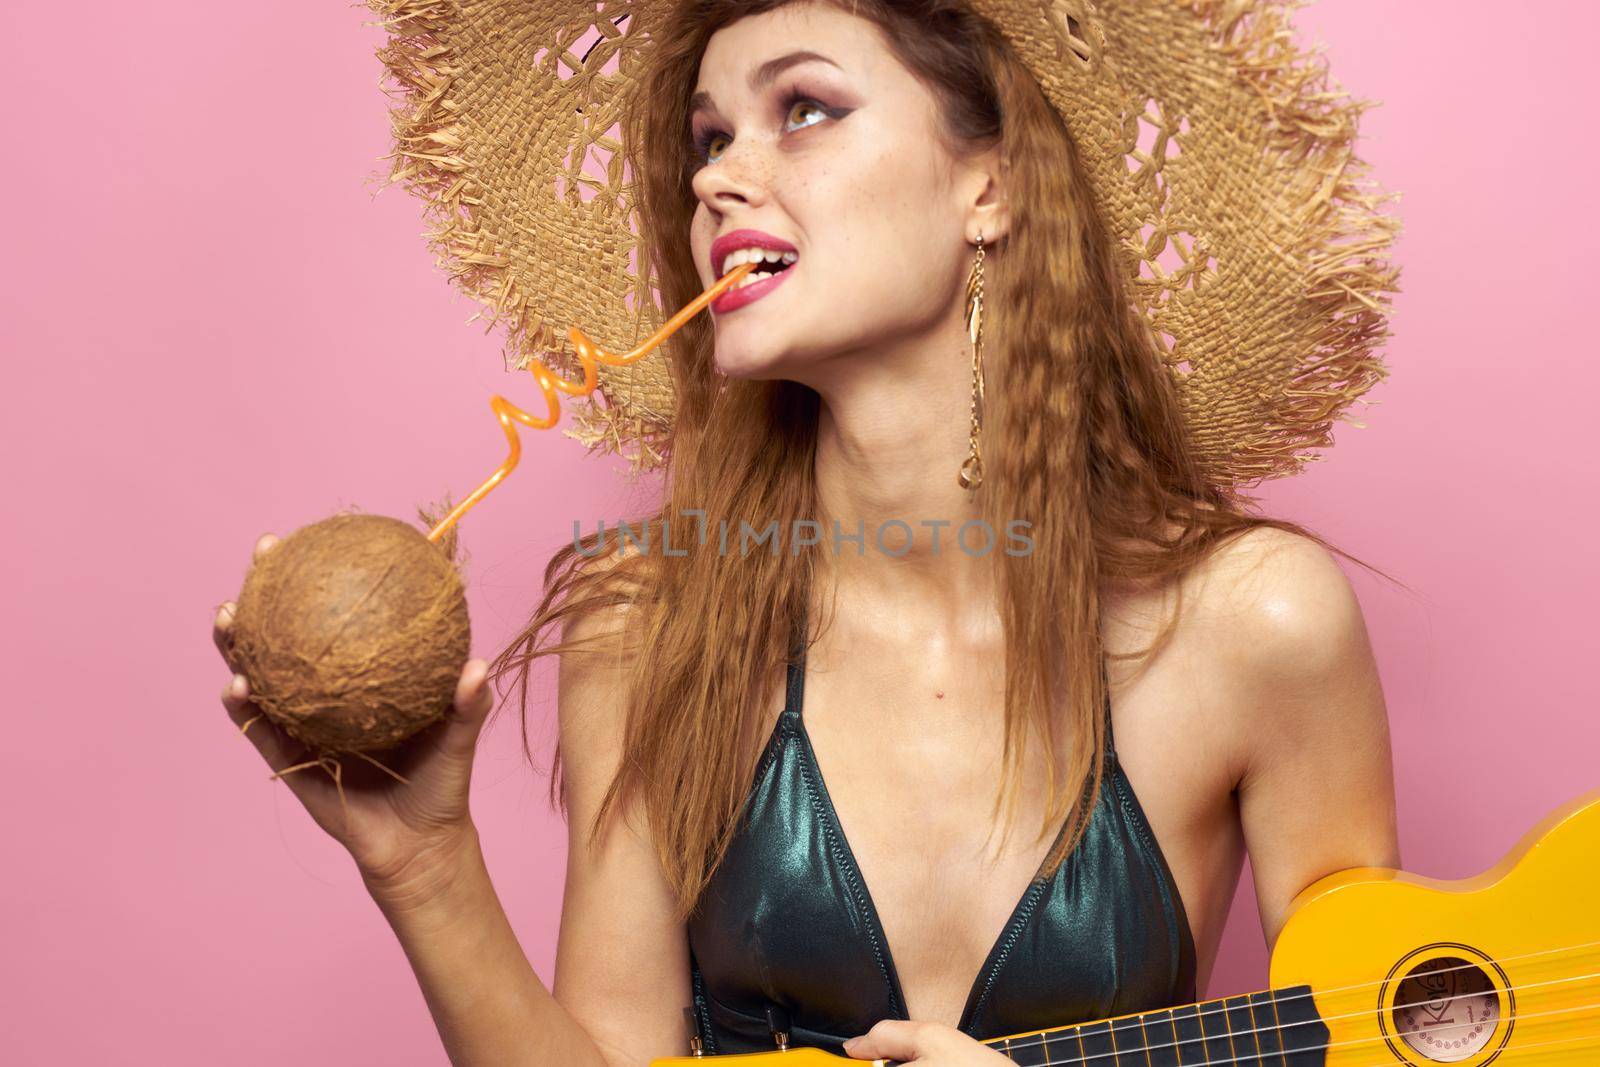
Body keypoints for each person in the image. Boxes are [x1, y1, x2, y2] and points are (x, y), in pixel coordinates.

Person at [213, 0, 1403, 1063]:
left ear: (988, 186)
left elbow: (1394, 1041)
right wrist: (421, 868)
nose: (719, 180)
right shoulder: (648, 622)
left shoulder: (1255, 624)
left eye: (804, 110)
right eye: (709, 139)